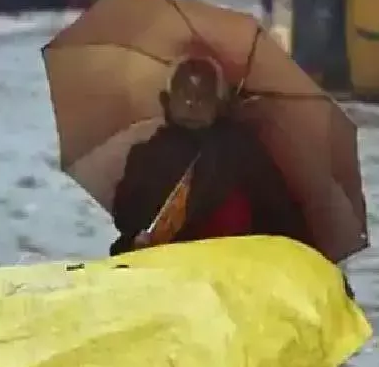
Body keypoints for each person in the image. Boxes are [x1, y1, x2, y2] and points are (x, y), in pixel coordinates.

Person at [110, 56, 310, 255]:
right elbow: (128, 218)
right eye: (184, 93)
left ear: (219, 105)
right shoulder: (146, 156)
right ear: (167, 100)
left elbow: (280, 214)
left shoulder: (243, 153)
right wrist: (137, 240)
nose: (192, 103)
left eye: (203, 95)